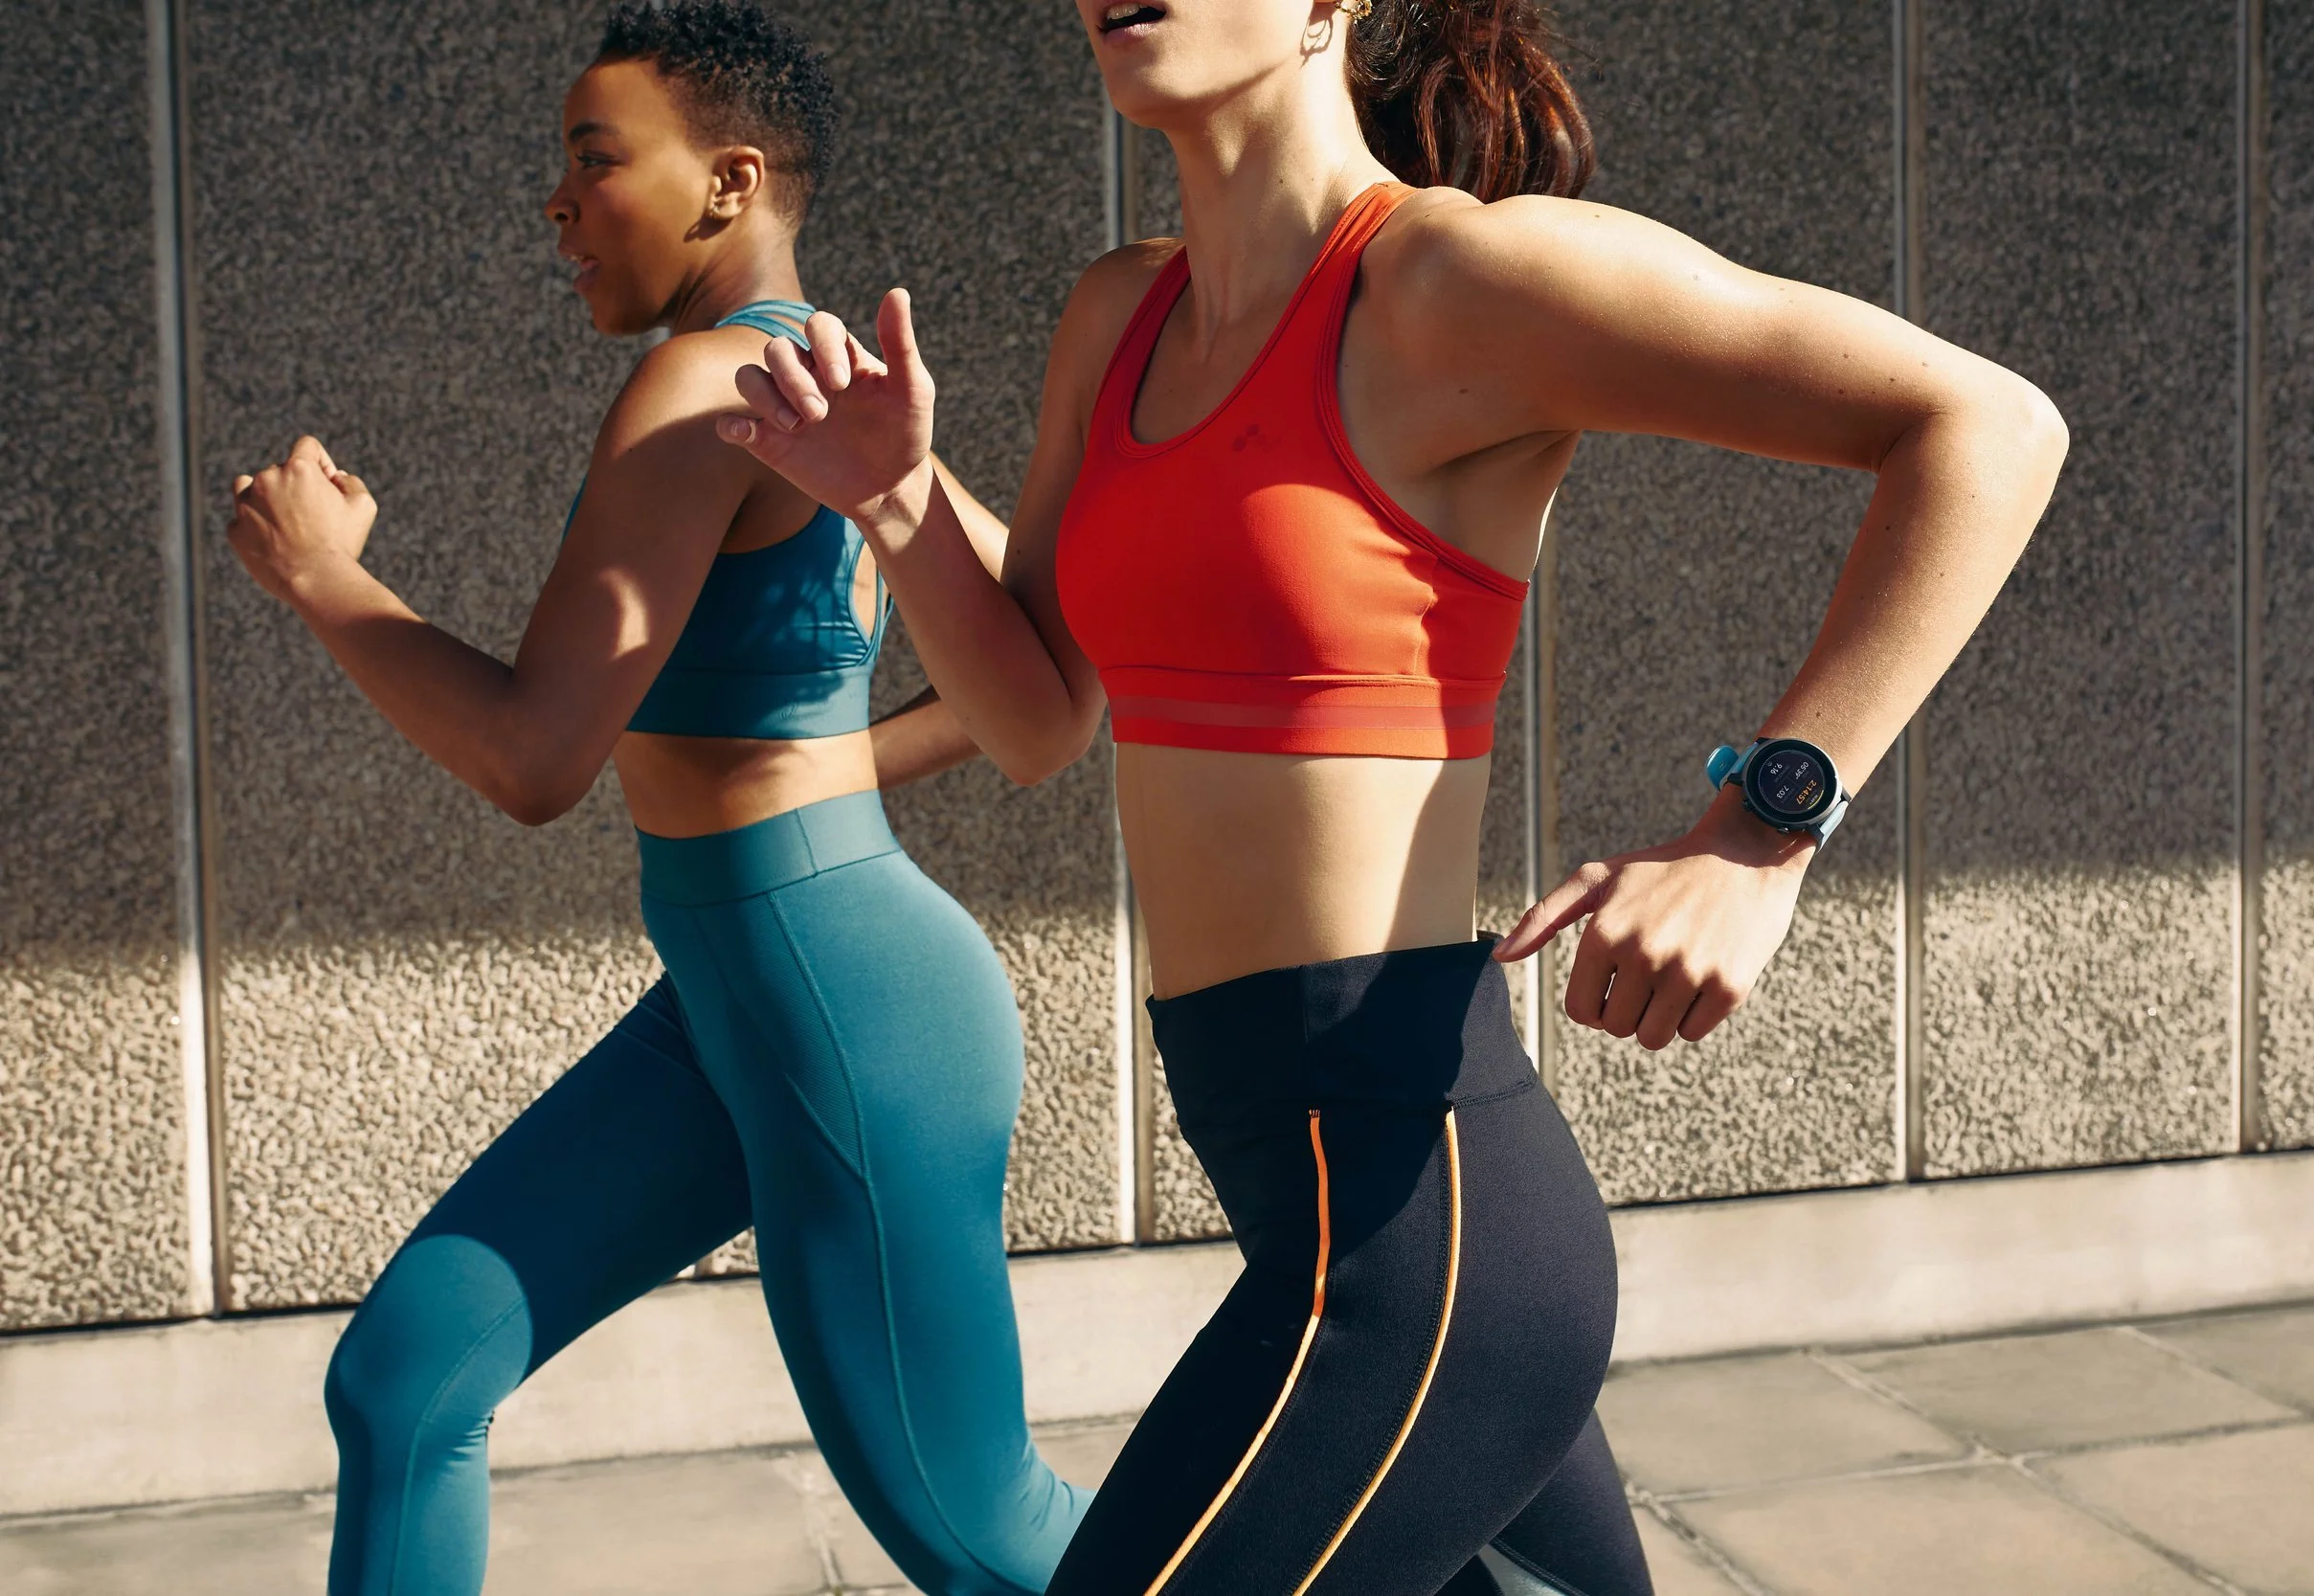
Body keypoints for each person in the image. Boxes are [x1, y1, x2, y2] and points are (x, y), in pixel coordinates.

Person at [716, 0, 2069, 1590]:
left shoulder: (1455, 280)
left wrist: (1760, 834)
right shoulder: (1122, 313)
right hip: (1311, 1195)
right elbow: (1038, 717)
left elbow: (1986, 426)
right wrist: (893, 501)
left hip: (1418, 1234)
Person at [221, 6, 1088, 1593]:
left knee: (983, 1529)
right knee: (406, 1379)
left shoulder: (706, 382)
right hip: (745, 987)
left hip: (838, 996)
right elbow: (1036, 677)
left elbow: (535, 760)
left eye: (594, 158)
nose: (556, 201)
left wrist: (329, 583)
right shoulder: (823, 382)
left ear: (728, 181)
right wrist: (822, 779)